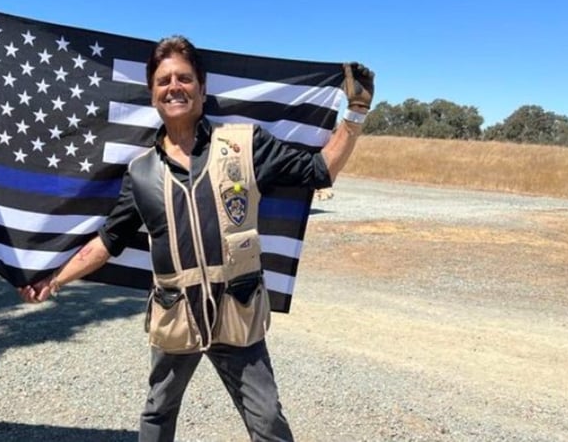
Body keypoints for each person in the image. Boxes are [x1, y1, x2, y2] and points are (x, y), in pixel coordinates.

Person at [19, 35, 374, 441]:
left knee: (268, 421)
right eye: (163, 80)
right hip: (176, 318)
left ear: (202, 89)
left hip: (238, 313)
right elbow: (108, 240)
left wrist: (357, 112)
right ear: (153, 95)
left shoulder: (245, 146)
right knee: (158, 413)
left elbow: (319, 170)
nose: (174, 87)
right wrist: (54, 279)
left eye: (184, 78)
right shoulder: (140, 173)